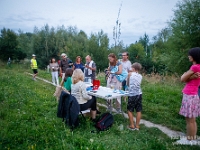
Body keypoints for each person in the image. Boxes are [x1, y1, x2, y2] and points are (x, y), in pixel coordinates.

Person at [176, 47, 200, 145]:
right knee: (192, 120)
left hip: (190, 95)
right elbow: (186, 79)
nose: (188, 56)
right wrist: (190, 76)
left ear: (194, 56)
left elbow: (182, 78)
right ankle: (193, 138)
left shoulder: (194, 67)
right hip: (194, 95)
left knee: (189, 120)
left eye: (190, 54)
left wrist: (187, 75)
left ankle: (189, 140)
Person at [126, 62, 143, 131]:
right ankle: (137, 125)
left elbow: (127, 83)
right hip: (139, 94)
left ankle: (132, 125)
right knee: (138, 110)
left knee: (130, 110)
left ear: (133, 68)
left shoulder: (130, 74)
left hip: (132, 94)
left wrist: (128, 76)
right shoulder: (140, 76)